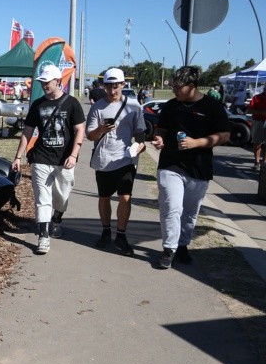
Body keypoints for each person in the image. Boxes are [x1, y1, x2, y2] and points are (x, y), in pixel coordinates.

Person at [151, 66, 230, 269]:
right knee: (171, 207)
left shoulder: (212, 106)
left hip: (198, 168)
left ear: (192, 86)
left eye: (178, 87)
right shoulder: (171, 106)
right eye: (174, 87)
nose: (174, 91)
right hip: (170, 164)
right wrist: (159, 138)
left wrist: (198, 143)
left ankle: (182, 244)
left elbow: (225, 135)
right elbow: (162, 128)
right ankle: (169, 249)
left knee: (189, 213)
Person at [11, 64, 86, 255]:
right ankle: (43, 236)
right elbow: (27, 132)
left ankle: (57, 219)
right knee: (42, 199)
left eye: (47, 81)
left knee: (62, 196)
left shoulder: (72, 103)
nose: (44, 84)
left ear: (58, 81)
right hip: (41, 157)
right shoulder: (38, 104)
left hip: (64, 160)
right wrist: (18, 156)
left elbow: (80, 130)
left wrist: (73, 155)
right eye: (42, 81)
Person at [85, 68, 147, 256]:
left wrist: (140, 146)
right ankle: (106, 231)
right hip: (104, 159)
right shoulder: (97, 107)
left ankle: (121, 235)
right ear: (104, 86)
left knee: (125, 197)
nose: (112, 90)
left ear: (123, 85)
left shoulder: (134, 106)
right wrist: (102, 129)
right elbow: (90, 135)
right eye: (109, 86)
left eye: (116, 86)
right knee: (104, 198)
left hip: (126, 159)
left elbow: (140, 133)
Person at [247, 87, 266, 169]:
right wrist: (261, 112)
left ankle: (264, 162)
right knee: (257, 142)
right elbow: (249, 110)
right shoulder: (257, 98)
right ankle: (257, 162)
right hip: (258, 121)